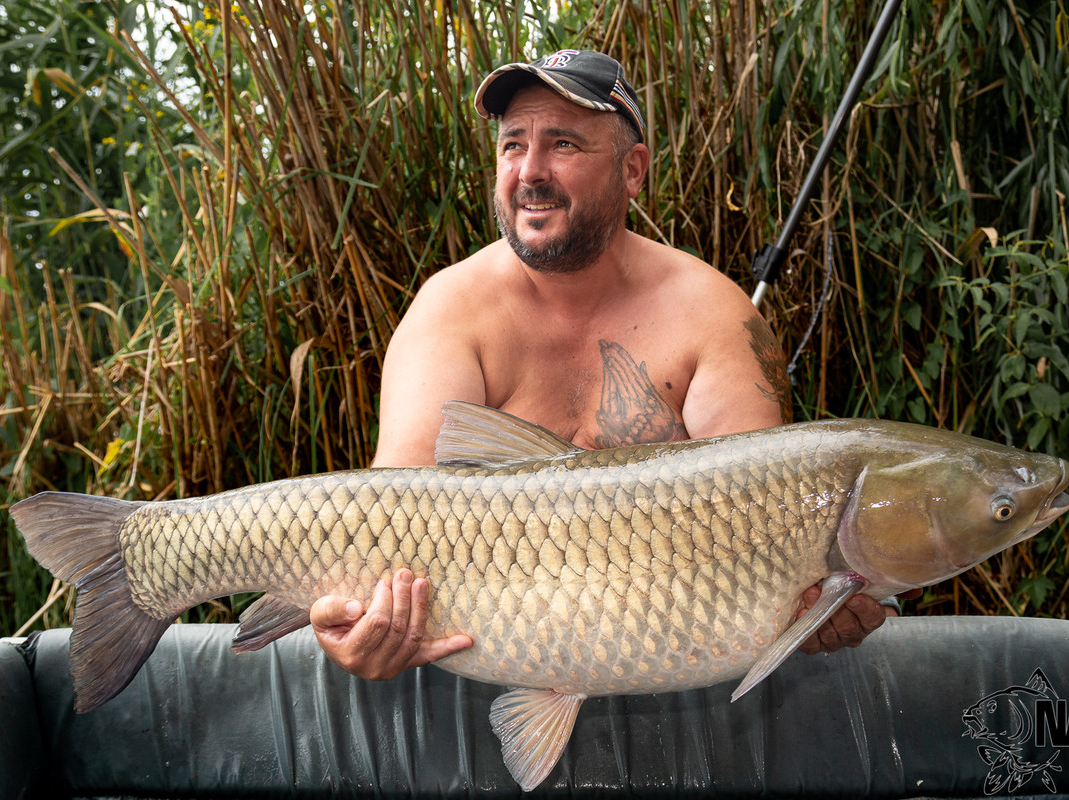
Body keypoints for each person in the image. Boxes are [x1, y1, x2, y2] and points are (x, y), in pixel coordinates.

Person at [309, 50, 905, 681]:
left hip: (675, 672)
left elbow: (772, 532)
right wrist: (360, 623)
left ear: (632, 170)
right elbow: (385, 531)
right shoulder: (449, 311)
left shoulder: (714, 315)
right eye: (513, 145)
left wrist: (822, 604)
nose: (529, 172)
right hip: (482, 668)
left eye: (562, 144)